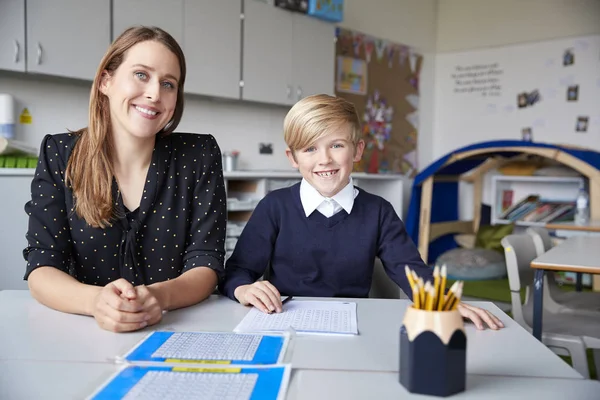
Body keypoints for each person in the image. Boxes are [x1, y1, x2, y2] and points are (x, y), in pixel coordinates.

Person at [220, 94, 503, 330]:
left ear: (357, 150)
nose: (325, 159)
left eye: (337, 145)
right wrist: (243, 289)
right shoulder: (274, 206)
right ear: (293, 158)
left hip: (353, 325)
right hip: (283, 323)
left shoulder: (378, 211)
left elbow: (410, 269)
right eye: (310, 149)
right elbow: (238, 271)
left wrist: (443, 301)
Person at [23, 26, 227, 333]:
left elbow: (206, 263)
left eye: (168, 84)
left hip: (177, 329)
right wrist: (96, 302)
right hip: (83, 332)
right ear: (106, 81)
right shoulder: (60, 154)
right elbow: (42, 267)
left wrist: (158, 296)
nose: (154, 93)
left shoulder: (198, 154)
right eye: (141, 75)